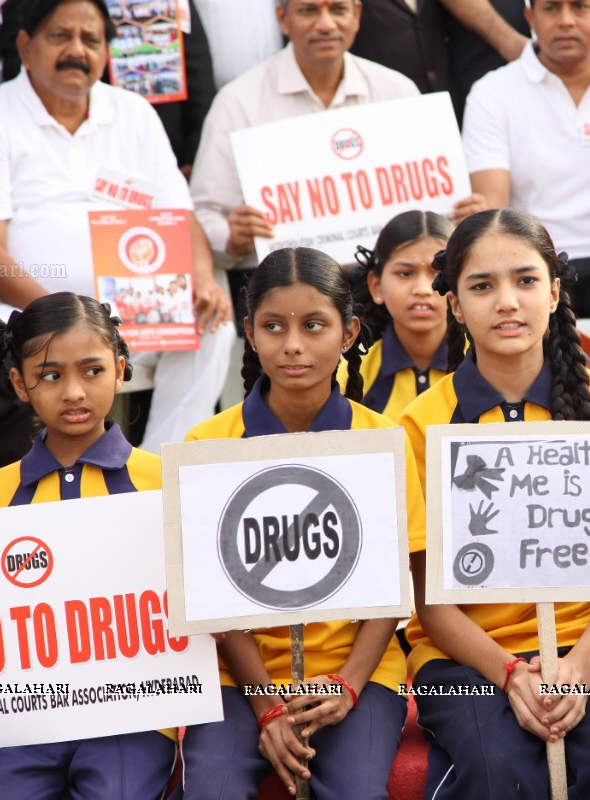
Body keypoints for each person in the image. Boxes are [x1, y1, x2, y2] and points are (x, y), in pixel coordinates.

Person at [399, 209, 590, 799]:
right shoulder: (420, 426)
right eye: (481, 286)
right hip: (463, 661)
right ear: (454, 304)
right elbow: (429, 603)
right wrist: (508, 673)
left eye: (525, 281)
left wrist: (581, 667)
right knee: (499, 771)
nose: (506, 302)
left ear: (554, 293)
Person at [176, 249, 421, 800]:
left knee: (356, 792)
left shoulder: (383, 441)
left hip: (357, 668)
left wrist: (350, 685)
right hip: (237, 677)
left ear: (349, 331)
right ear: (250, 333)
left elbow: (393, 584)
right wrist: (265, 704)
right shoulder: (206, 445)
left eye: (314, 326)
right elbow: (214, 598)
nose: (292, 345)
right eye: (273, 326)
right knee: (211, 789)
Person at [0, 0, 234, 470]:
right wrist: (60, 317)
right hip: (27, 309)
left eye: (91, 39)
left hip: (133, 310)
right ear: (24, 44)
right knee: (6, 342)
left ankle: (163, 471)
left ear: (106, 51)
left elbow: (180, 216)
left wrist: (202, 277)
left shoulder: (134, 113)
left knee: (212, 321)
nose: (76, 50)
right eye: (60, 36)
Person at [0, 293, 174, 799]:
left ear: (121, 370)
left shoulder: (165, 480)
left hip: (137, 715)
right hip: (21, 719)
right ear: (19, 383)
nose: (74, 392)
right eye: (51, 375)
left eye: (92, 370)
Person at [459, 0, 590, 391]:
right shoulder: (493, 91)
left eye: (581, 7)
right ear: (530, 18)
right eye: (552, 8)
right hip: (532, 254)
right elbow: (493, 202)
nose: (566, 20)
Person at [190, 0, 419, 272]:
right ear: (283, 19)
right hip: (277, 288)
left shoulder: (397, 92)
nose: (325, 24)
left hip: (382, 284)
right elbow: (204, 211)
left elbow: (429, 201)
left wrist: (455, 211)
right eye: (309, 11)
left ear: (356, 15)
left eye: (338, 10)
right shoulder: (238, 101)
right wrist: (231, 237)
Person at [351, 211, 453, 421]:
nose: (423, 289)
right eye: (405, 273)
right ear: (376, 286)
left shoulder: (489, 366)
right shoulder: (350, 374)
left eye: (437, 274)